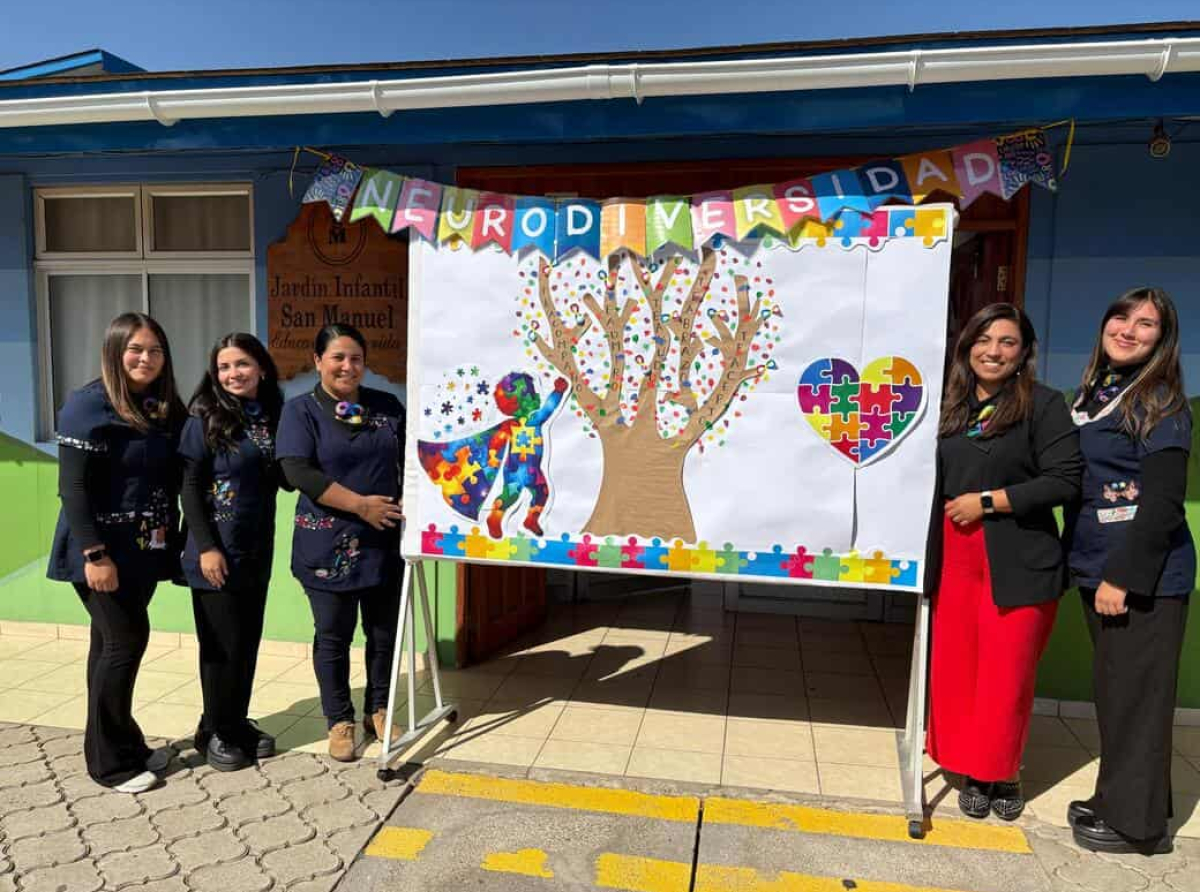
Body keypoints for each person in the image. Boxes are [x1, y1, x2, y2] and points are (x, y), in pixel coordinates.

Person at [928, 303, 1082, 821]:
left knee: (1007, 675)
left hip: (1018, 558)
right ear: (967, 346)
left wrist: (989, 501)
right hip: (955, 558)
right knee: (958, 671)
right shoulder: (950, 406)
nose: (993, 351)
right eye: (983, 340)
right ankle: (972, 767)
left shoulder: (1043, 405)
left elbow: (1065, 480)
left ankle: (1003, 771)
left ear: (1023, 353)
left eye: (1007, 342)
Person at [1065, 287, 1194, 856]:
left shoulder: (1160, 400)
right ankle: (1118, 798)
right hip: (1098, 564)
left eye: (1146, 324)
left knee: (1139, 699)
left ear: (1161, 340)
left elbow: (1164, 502)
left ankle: (1137, 828)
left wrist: (1123, 577)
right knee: (1118, 694)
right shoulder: (1101, 392)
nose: (1128, 329)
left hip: (1142, 577)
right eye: (1121, 316)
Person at [47, 312, 186, 793]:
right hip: (101, 552)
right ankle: (109, 765)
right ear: (114, 351)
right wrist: (94, 555)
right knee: (124, 642)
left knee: (107, 645)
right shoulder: (87, 406)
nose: (145, 358)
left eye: (154, 350)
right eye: (135, 349)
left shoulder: (161, 404)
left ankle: (124, 742)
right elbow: (73, 489)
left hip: (144, 548)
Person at [277, 324, 406, 761]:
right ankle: (339, 719)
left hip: (384, 541)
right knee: (332, 637)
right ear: (318, 362)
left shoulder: (386, 407)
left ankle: (380, 708)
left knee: (383, 634)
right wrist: (360, 506)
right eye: (337, 357)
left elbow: (411, 459)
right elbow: (299, 472)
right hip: (326, 545)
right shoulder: (300, 412)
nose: (347, 366)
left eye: (355, 358)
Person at [180, 334, 286, 771]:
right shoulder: (203, 416)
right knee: (220, 646)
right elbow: (188, 485)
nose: (233, 374)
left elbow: (286, 472)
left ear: (261, 367)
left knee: (246, 641)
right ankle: (214, 730)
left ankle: (236, 721)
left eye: (242, 364)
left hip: (256, 548)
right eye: (224, 367)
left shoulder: (274, 414)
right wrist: (206, 547)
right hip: (213, 552)